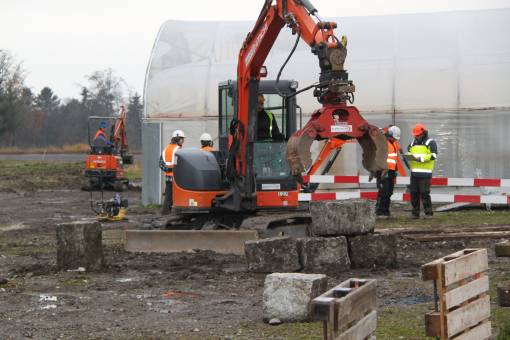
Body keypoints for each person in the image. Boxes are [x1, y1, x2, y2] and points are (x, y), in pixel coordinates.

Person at [407, 123, 438, 219]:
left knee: (424, 193)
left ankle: (428, 213)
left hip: (425, 173)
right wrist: (407, 156)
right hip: (414, 173)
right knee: (414, 193)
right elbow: (409, 152)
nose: (416, 137)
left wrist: (421, 158)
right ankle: (415, 213)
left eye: (417, 135)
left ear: (423, 133)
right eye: (415, 135)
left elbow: (434, 155)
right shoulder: (412, 143)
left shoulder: (430, 142)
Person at [376, 125, 407, 217]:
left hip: (391, 171)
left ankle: (385, 210)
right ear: (389, 135)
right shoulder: (382, 143)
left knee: (389, 192)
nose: (395, 140)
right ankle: (380, 211)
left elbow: (400, 152)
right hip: (383, 171)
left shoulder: (394, 143)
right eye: (394, 138)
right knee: (384, 192)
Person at [159, 130, 185, 214]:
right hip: (176, 177)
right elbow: (180, 163)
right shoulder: (178, 149)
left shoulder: (165, 149)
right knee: (177, 196)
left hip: (168, 177)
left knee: (168, 196)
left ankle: (166, 212)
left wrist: (168, 170)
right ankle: (176, 212)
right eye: (182, 139)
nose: (183, 141)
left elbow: (161, 164)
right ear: (177, 139)